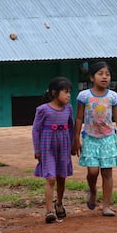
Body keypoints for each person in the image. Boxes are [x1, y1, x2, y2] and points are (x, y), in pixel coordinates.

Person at [73, 62, 117, 217]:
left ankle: (106, 206)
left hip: (108, 138)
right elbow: (78, 118)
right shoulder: (84, 96)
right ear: (92, 77)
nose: (104, 77)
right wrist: (76, 138)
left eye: (107, 74)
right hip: (90, 137)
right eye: (100, 73)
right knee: (92, 171)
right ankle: (92, 189)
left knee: (107, 172)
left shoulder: (113, 96)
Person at [32, 77, 74, 223]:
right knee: (50, 177)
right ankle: (49, 211)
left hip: (63, 146)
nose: (68, 95)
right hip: (47, 146)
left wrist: (73, 145)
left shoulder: (68, 108)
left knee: (62, 177)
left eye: (69, 92)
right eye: (65, 92)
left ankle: (59, 203)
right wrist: (37, 150)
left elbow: (71, 127)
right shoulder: (43, 110)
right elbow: (36, 130)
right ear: (54, 93)